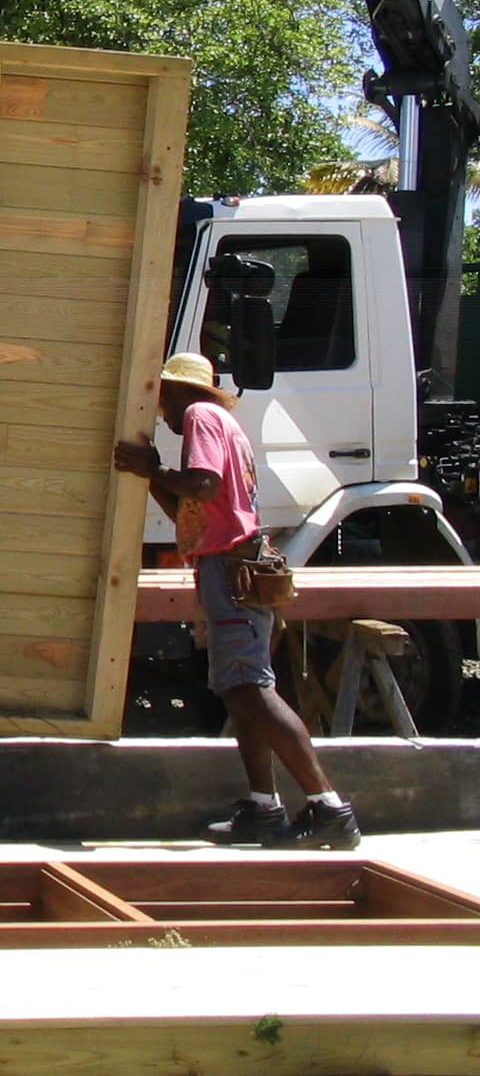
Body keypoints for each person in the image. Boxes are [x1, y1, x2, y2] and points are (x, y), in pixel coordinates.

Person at [113, 352, 360, 849]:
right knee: (240, 692)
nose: (160, 409)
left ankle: (329, 807)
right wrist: (153, 474)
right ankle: (263, 808)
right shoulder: (224, 421)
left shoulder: (201, 416)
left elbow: (204, 486)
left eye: (163, 396)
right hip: (234, 568)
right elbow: (195, 505)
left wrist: (155, 468)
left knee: (252, 689)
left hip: (230, 571)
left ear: (179, 391)